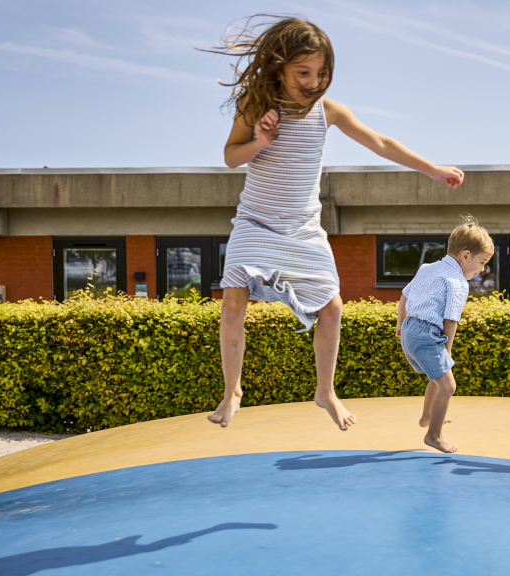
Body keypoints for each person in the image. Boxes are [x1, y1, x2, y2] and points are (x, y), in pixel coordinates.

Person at [203, 16, 464, 430]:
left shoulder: (329, 111)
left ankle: (325, 391)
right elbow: (231, 156)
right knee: (233, 303)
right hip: (256, 222)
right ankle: (232, 389)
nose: (313, 81)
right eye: (302, 72)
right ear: (279, 67)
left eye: (321, 73)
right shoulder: (257, 104)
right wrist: (260, 141)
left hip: (303, 227)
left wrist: (431, 169)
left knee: (332, 307)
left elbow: (379, 142)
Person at [396, 216, 494, 453]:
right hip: (427, 333)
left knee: (437, 376)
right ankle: (434, 436)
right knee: (448, 385)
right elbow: (450, 321)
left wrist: (400, 325)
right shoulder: (458, 282)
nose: (482, 269)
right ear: (465, 255)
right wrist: (447, 350)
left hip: (409, 329)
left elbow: (405, 296)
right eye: (481, 263)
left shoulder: (428, 268)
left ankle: (427, 416)